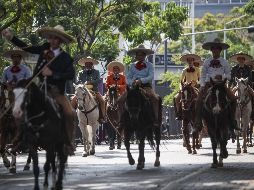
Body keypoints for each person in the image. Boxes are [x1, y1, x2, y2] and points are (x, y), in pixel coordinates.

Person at [2, 25, 76, 155]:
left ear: (61, 41)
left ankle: (69, 143)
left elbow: (70, 75)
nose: (52, 41)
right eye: (51, 38)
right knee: (20, 102)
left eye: (55, 39)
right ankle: (20, 138)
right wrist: (11, 37)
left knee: (70, 114)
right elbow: (27, 48)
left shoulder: (66, 58)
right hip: (39, 87)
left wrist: (52, 74)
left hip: (56, 91)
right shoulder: (43, 49)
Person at [194, 38, 239, 133]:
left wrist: (222, 77)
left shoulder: (225, 62)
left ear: (220, 50)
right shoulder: (206, 61)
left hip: (221, 84)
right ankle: (197, 123)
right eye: (213, 48)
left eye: (217, 48)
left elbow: (229, 76)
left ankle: (232, 121)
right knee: (198, 100)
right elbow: (202, 75)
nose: (215, 50)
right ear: (211, 50)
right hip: (208, 84)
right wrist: (202, 85)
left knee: (234, 99)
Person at [119, 44, 161, 127]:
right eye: (138, 55)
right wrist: (132, 82)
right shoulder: (131, 66)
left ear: (145, 56)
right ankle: (121, 120)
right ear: (136, 56)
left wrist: (141, 80)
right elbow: (128, 77)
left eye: (142, 55)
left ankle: (156, 119)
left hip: (146, 86)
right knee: (120, 100)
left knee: (155, 99)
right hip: (133, 88)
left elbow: (151, 76)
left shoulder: (150, 65)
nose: (140, 56)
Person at [71, 56, 106, 123]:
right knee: (73, 100)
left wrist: (91, 82)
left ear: (92, 64)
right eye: (87, 64)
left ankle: (102, 117)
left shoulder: (96, 72)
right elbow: (78, 81)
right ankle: (72, 117)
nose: (88, 65)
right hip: (82, 90)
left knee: (102, 101)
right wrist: (83, 84)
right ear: (85, 64)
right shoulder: (80, 72)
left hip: (94, 90)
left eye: (89, 64)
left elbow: (98, 80)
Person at [174, 53, 201, 120]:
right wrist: (181, 88)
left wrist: (197, 83)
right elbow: (181, 81)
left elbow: (200, 79)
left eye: (191, 60)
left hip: (195, 87)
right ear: (187, 62)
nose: (190, 62)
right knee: (176, 98)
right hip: (186, 87)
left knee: (203, 97)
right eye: (188, 61)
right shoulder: (184, 70)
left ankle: (202, 112)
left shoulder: (197, 69)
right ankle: (178, 113)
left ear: (193, 61)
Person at [229, 52, 254, 120]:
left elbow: (250, 78)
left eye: (242, 59)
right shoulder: (234, 68)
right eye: (239, 59)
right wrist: (230, 87)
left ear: (244, 60)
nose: (241, 60)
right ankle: (230, 114)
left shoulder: (248, 68)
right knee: (228, 96)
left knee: (253, 94)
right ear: (237, 60)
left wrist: (245, 83)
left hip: (246, 85)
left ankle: (252, 114)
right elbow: (231, 79)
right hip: (236, 85)